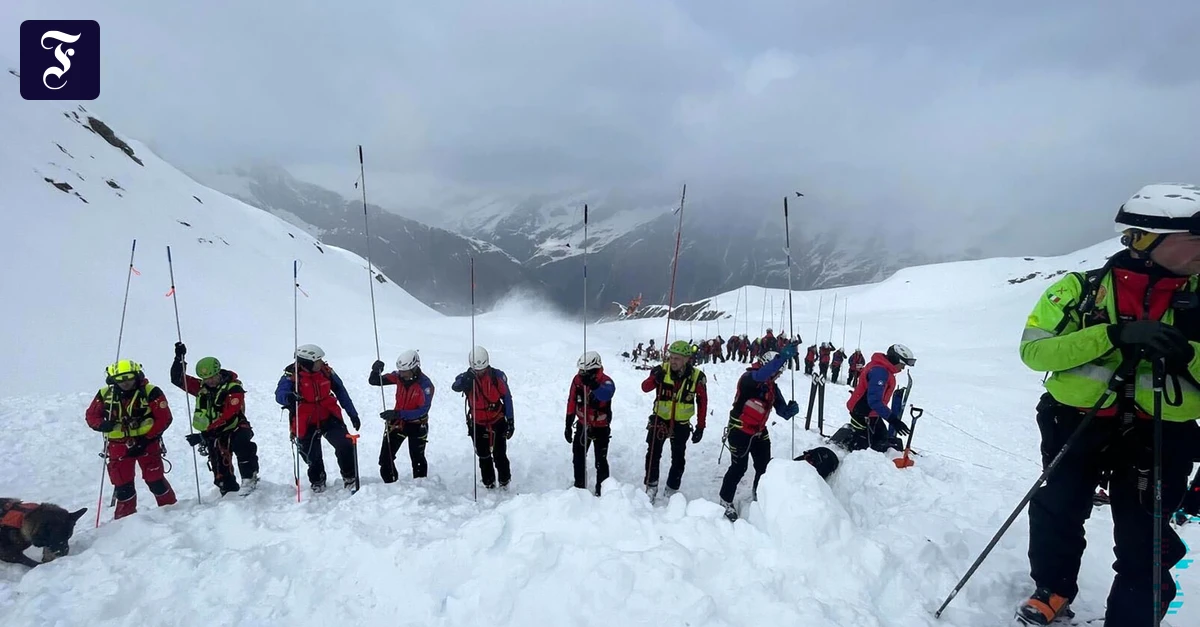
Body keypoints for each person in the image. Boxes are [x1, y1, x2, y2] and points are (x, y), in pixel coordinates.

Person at [1015, 183, 1200, 627]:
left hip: (1161, 433)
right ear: (1148, 240)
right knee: (1057, 508)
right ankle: (1053, 588)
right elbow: (1035, 351)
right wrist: (1112, 336)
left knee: (1144, 537)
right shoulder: (1080, 290)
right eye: (1196, 238)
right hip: (1076, 421)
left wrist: (1189, 353)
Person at [84, 360, 177, 519]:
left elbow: (164, 418)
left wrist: (146, 439)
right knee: (123, 486)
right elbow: (91, 415)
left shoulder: (151, 392)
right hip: (118, 446)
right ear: (113, 379)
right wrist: (102, 424)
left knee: (155, 481)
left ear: (137, 376)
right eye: (120, 379)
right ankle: (124, 520)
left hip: (148, 443)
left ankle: (173, 512)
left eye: (129, 378)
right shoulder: (105, 394)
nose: (125, 382)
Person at [717, 345, 800, 521]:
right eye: (778, 372)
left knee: (763, 467)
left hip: (759, 432)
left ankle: (759, 495)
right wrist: (782, 358)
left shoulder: (772, 387)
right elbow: (761, 375)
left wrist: (790, 410)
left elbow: (782, 411)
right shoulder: (749, 378)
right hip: (739, 430)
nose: (778, 376)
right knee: (739, 468)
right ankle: (725, 500)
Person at [171, 343, 259, 496]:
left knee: (242, 445)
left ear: (218, 373)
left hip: (234, 427)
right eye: (206, 378)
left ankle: (249, 478)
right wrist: (179, 358)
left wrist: (203, 436)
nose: (210, 381)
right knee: (219, 468)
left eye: (212, 377)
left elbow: (229, 416)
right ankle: (228, 491)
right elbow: (177, 379)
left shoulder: (233, 388)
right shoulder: (202, 388)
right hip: (213, 433)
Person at [275, 344, 361, 493]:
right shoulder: (291, 375)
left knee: (345, 444)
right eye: (317, 361)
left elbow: (341, 391)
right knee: (312, 455)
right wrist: (289, 397)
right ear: (307, 363)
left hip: (328, 415)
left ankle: (350, 477)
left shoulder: (326, 372)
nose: (321, 363)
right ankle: (317, 480)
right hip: (305, 420)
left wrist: (353, 414)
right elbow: (279, 394)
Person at [641, 341, 709, 500]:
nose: (672, 361)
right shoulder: (660, 370)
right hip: (660, 419)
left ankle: (672, 487)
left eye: (677, 358)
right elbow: (645, 387)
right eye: (671, 357)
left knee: (678, 457)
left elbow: (702, 402)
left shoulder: (697, 377)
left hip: (681, 423)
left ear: (687, 359)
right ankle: (651, 485)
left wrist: (700, 426)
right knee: (652, 453)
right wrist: (654, 379)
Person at [832, 344, 915, 452]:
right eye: (902, 364)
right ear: (895, 360)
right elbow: (874, 401)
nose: (903, 368)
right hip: (863, 412)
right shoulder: (880, 373)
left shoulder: (883, 368)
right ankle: (845, 450)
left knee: (882, 440)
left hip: (872, 412)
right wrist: (893, 420)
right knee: (865, 448)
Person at [453, 346, 515, 490]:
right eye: (477, 370)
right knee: (483, 455)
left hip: (497, 420)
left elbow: (507, 398)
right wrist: (466, 380)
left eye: (482, 369)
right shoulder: (466, 377)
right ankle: (488, 482)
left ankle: (505, 481)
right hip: (478, 423)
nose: (480, 372)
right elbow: (455, 386)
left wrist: (510, 420)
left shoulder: (496, 376)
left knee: (500, 454)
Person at [369, 350, 435, 483]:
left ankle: (421, 486)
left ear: (414, 368)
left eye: (405, 371)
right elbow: (375, 381)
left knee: (417, 458)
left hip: (417, 424)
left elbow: (422, 411)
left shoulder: (426, 386)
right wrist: (375, 371)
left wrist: (398, 413)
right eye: (400, 371)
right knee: (385, 458)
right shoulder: (398, 377)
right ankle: (390, 484)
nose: (402, 374)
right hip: (398, 423)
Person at [565, 351, 617, 495]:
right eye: (580, 370)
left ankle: (603, 490)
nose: (581, 373)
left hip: (601, 428)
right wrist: (568, 423)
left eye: (584, 371)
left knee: (601, 460)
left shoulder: (606, 381)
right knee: (578, 457)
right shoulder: (577, 380)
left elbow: (606, 394)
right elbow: (572, 401)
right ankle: (579, 487)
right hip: (583, 426)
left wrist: (594, 385)